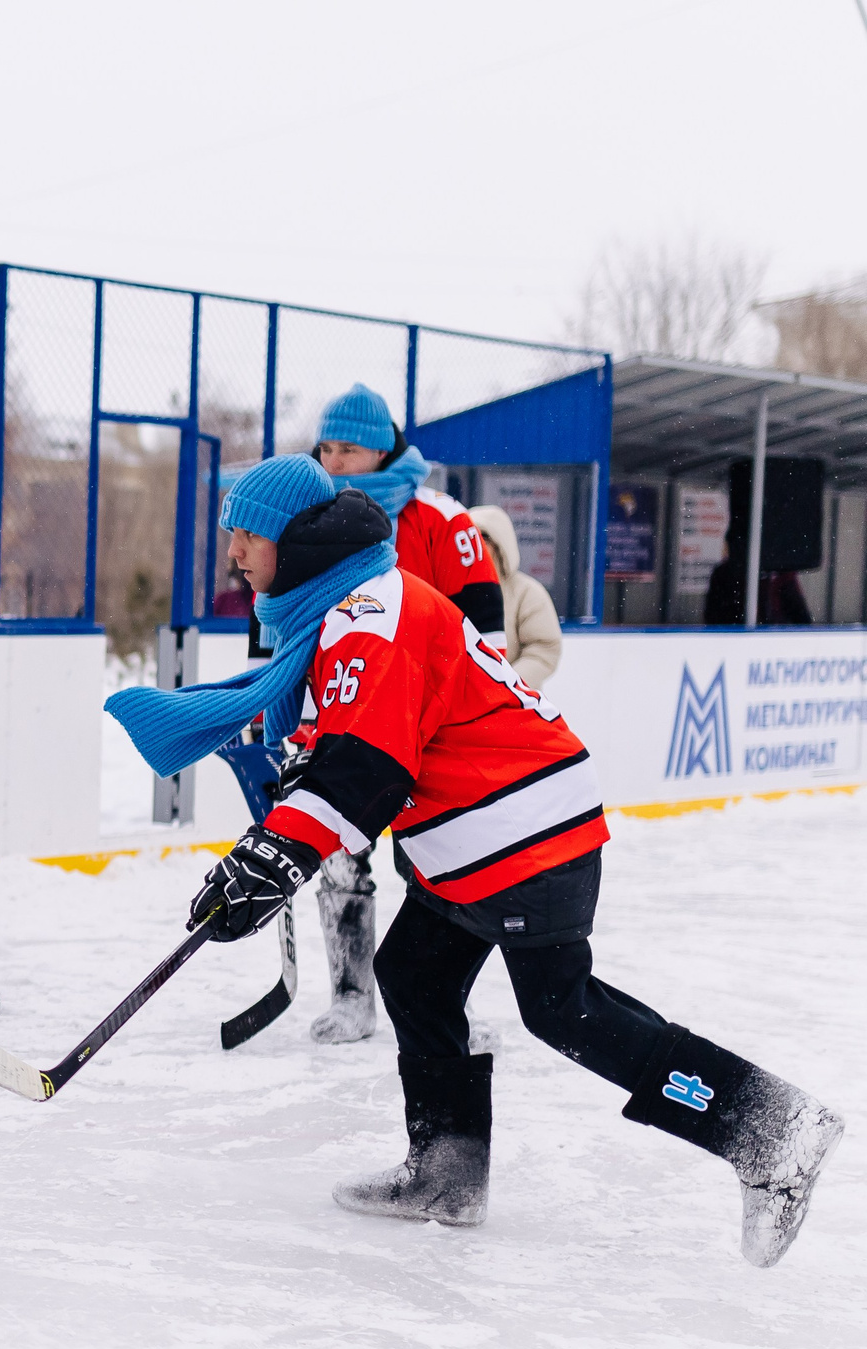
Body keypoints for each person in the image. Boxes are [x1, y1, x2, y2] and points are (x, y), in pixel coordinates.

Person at [110, 455, 843, 1268]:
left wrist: (274, 855)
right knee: (414, 974)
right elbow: (357, 742)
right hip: (486, 834)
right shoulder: (350, 605)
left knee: (564, 1009)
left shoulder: (367, 615)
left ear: (290, 536)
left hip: (523, 830)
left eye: (247, 534)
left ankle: (771, 1130)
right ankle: (447, 1173)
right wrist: (286, 828)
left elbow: (368, 769)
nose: (235, 553)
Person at [305, 384, 506, 1046]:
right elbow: (283, 630)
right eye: (326, 447)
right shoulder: (306, 520)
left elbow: (487, 640)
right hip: (343, 723)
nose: (334, 461)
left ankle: (445, 1004)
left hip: (437, 731)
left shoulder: (444, 520)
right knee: (339, 855)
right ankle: (352, 998)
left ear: (382, 450)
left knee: (440, 865)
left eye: (349, 449)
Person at [466, 504, 563, 690]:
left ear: (500, 545)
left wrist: (507, 686)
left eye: (482, 538)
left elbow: (544, 648)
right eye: (469, 538)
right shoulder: (449, 591)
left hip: (512, 702)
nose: (475, 546)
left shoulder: (526, 593)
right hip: (458, 702)